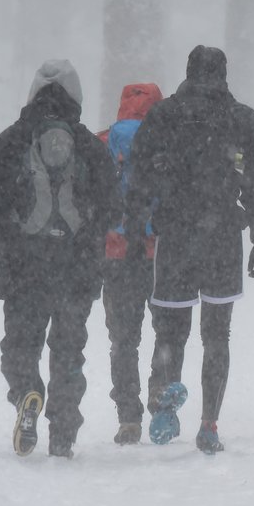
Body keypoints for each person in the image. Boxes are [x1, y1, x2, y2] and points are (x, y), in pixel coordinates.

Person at [0, 59, 118, 459]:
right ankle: (63, 432)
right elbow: (114, 208)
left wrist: (1, 239)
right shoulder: (88, 145)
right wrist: (87, 238)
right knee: (69, 350)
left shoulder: (11, 141)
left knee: (20, 345)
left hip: (23, 269)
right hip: (77, 270)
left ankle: (27, 393)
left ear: (33, 93)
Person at [124, 45, 254, 454]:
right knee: (217, 334)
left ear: (187, 71)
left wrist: (137, 234)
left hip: (176, 235)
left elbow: (138, 180)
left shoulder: (164, 115)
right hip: (223, 237)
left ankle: (168, 402)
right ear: (224, 73)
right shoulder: (243, 119)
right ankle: (209, 423)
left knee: (171, 330)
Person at [96, 82, 163, 446]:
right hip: (159, 252)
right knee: (166, 331)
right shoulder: (168, 142)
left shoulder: (104, 141)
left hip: (117, 252)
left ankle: (128, 417)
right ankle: (159, 394)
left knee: (123, 339)